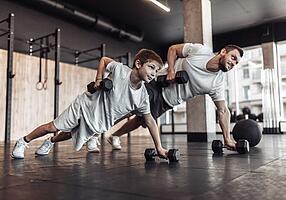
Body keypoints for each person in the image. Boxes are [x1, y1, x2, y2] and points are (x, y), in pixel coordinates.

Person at [11, 49, 168, 159]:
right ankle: (23, 141)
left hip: (98, 121)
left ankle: (50, 142)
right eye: (152, 67)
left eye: (156, 71)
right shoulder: (121, 70)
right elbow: (105, 60)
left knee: (69, 134)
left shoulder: (143, 97)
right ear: (139, 64)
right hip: (85, 105)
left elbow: (150, 121)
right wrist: (99, 79)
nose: (154, 73)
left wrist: (159, 148)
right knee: (53, 127)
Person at [107, 43, 244, 151]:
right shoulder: (200, 50)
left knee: (140, 120)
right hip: (157, 84)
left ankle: (114, 136)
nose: (233, 63)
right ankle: (97, 130)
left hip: (168, 102)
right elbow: (173, 49)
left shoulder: (217, 83)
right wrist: (171, 70)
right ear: (223, 52)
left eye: (236, 63)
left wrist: (227, 138)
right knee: (131, 108)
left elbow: (223, 110)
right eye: (233, 57)